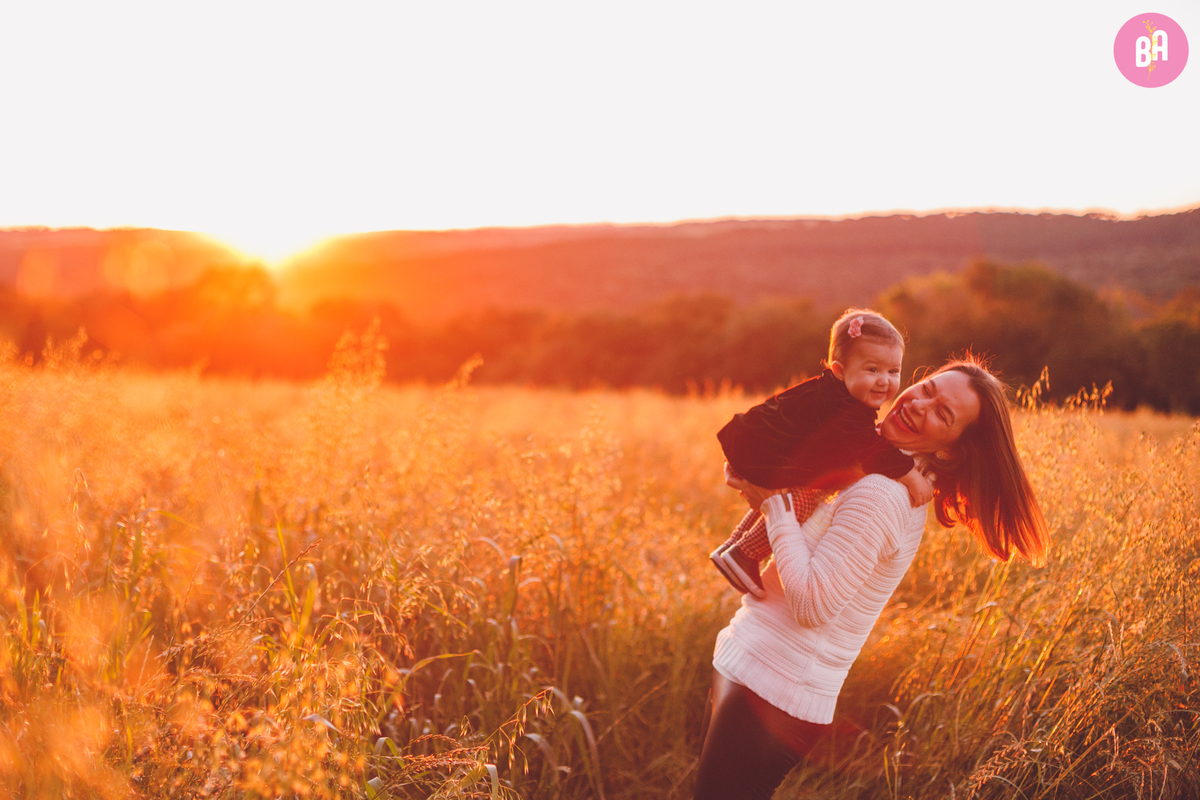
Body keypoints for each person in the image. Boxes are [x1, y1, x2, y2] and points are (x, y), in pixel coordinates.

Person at [693, 356, 1049, 800]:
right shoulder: (879, 471)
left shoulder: (882, 493)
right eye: (928, 389)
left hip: (774, 692)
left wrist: (774, 503)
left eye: (942, 413)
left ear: (951, 449)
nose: (920, 404)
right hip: (756, 673)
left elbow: (813, 604)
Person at [712, 309, 933, 598]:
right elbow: (873, 452)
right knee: (804, 499)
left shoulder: (834, 393)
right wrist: (912, 476)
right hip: (761, 450)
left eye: (893, 371)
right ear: (840, 370)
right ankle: (745, 555)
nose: (884, 381)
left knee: (792, 492)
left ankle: (733, 546)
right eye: (872, 370)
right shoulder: (847, 408)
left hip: (754, 443)